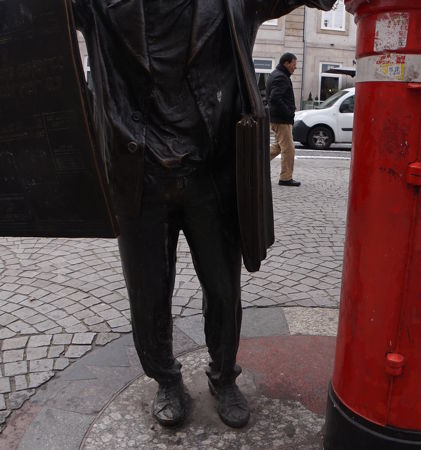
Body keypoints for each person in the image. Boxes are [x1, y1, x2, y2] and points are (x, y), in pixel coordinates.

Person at [71, 0, 336, 429]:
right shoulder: (103, 6)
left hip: (211, 174)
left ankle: (223, 376)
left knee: (222, 287)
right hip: (139, 175)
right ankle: (166, 380)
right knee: (149, 292)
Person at [267, 53, 301, 187]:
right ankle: (285, 178)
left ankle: (255, 163)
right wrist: (288, 112)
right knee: (288, 148)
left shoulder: (277, 75)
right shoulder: (281, 77)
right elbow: (275, 98)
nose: (295, 67)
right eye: (294, 64)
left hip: (278, 118)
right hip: (281, 119)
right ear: (286, 63)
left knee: (277, 147)